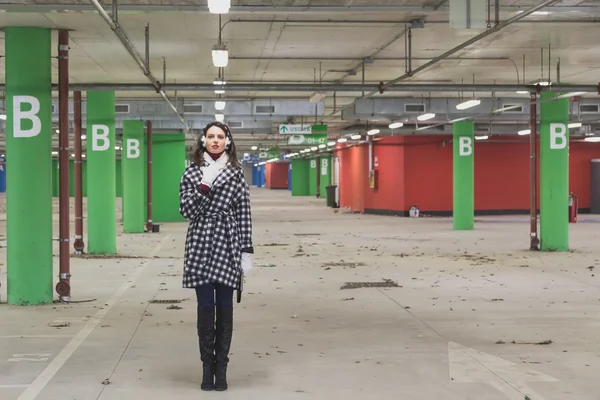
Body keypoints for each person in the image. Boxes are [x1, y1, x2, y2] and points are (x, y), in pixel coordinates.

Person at [179, 121, 253, 391]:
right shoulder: (191, 173)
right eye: (210, 136)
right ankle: (206, 367)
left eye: (220, 137)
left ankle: (221, 368)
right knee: (204, 308)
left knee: (224, 306)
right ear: (203, 140)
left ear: (228, 142)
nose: (215, 141)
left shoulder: (236, 173)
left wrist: (246, 249)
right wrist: (203, 186)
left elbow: (243, 213)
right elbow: (185, 210)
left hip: (227, 239)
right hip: (199, 240)